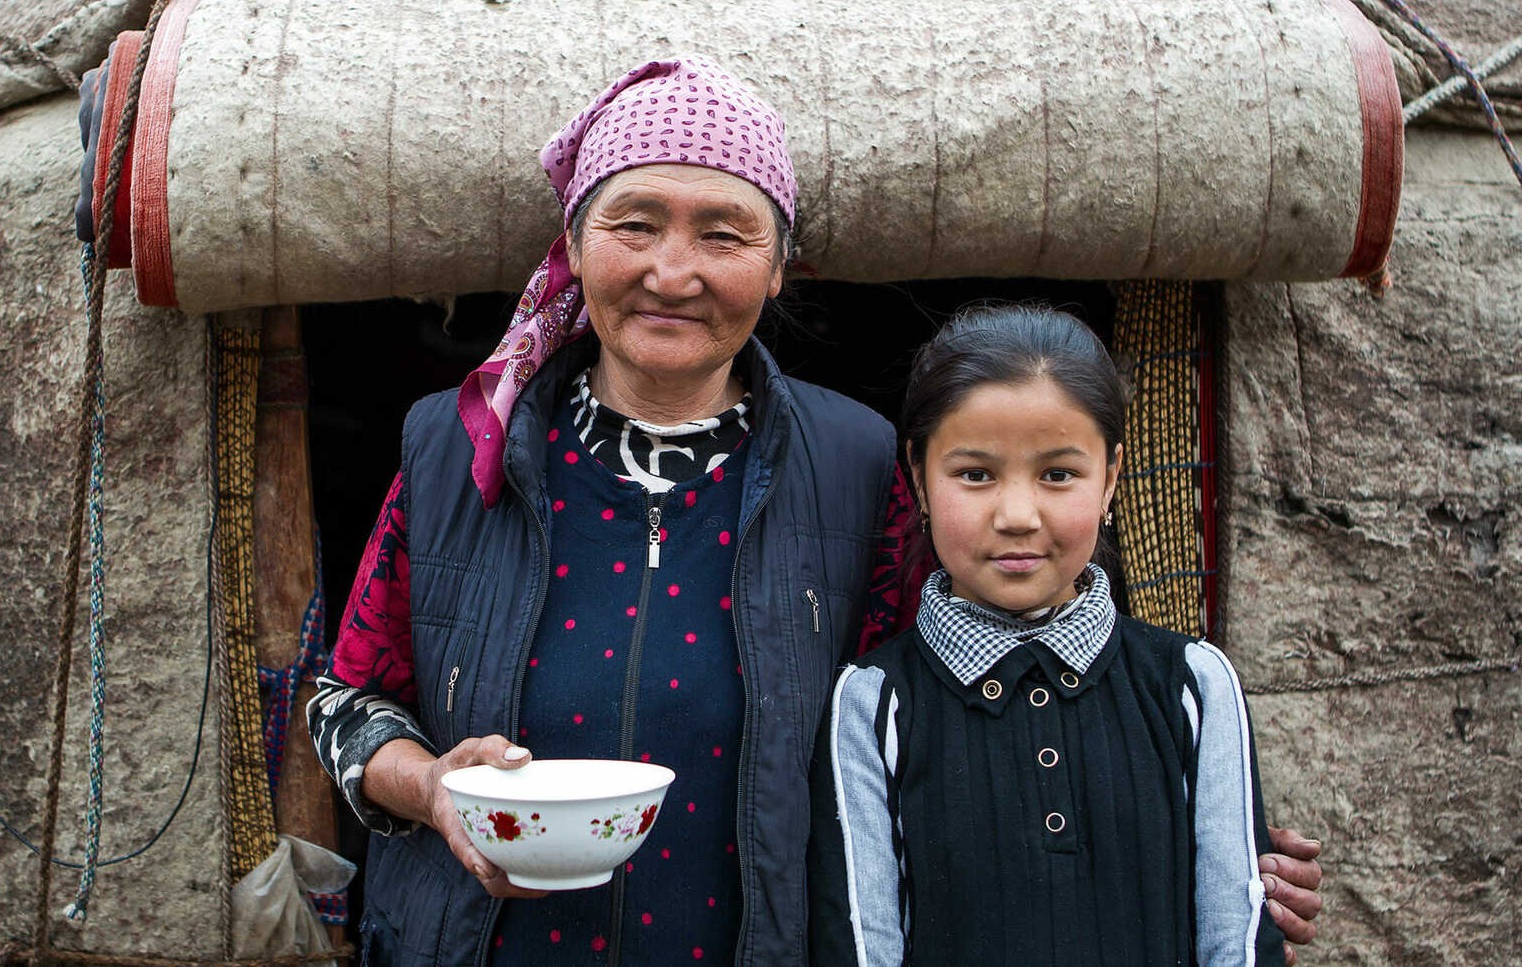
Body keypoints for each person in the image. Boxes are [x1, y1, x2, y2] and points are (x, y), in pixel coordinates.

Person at [306, 59, 1322, 966]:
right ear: (573, 243)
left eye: (723, 232)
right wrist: (433, 785)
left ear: (781, 263)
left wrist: (1192, 842)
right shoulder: (455, 447)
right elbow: (348, 699)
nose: (674, 272)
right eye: (635, 224)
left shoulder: (854, 462)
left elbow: (951, 705)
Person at [809, 305, 1290, 965]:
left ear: (1112, 476)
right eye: (975, 474)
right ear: (918, 474)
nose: (1016, 515)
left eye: (1058, 473)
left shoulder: (1194, 685)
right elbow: (861, 945)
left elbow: (1236, 935)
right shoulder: (870, 705)